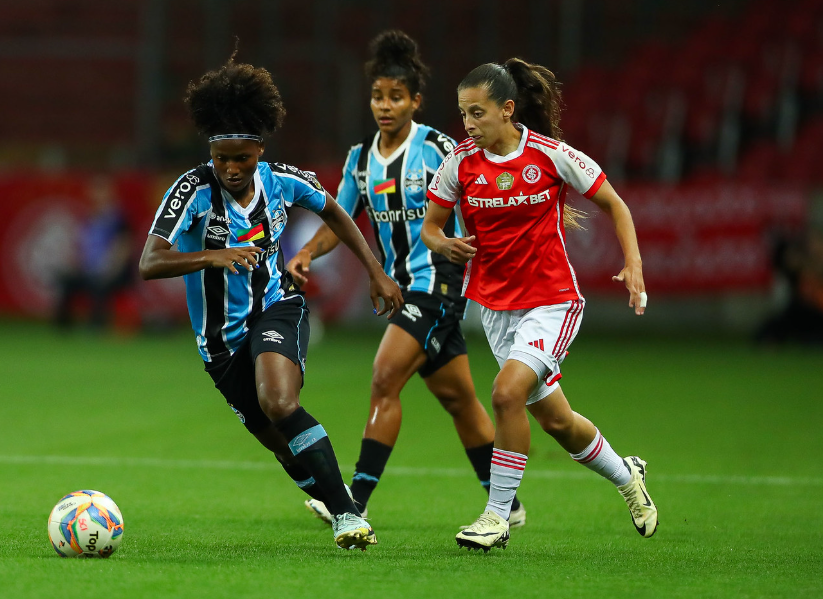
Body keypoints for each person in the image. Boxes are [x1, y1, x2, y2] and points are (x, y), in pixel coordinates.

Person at [138, 53, 404, 550]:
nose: (231, 168)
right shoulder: (191, 190)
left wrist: (376, 271)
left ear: (260, 150)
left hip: (276, 308)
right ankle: (335, 499)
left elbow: (336, 212)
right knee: (280, 444)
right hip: (219, 345)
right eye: (222, 158)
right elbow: (150, 262)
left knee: (279, 402)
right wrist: (212, 256)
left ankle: (348, 516)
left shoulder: (282, 180)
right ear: (210, 152)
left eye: (242, 157)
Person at [287, 30, 525, 526]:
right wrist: (308, 251)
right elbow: (341, 222)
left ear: (415, 101)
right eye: (378, 96)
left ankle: (354, 501)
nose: (385, 105)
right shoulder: (359, 160)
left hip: (438, 283)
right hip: (402, 289)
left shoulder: (438, 148)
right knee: (459, 399)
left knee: (384, 376)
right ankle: (510, 505)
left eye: (396, 96)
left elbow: (481, 193)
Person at [422, 59, 659, 551]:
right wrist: (444, 244)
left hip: (552, 302)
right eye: (463, 113)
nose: (468, 123)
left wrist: (633, 263)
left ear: (507, 109)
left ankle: (496, 517)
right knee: (557, 422)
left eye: (477, 113)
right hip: (494, 308)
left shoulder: (550, 155)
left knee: (506, 393)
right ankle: (627, 475)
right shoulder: (459, 163)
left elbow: (615, 203)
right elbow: (431, 227)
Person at [53, 177, 134, 330]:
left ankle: (97, 325)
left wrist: (110, 270)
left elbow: (124, 247)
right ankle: (63, 327)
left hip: (113, 271)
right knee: (67, 281)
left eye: (100, 190)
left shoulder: (119, 219)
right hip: (90, 270)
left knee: (99, 285)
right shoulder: (89, 219)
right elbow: (83, 248)